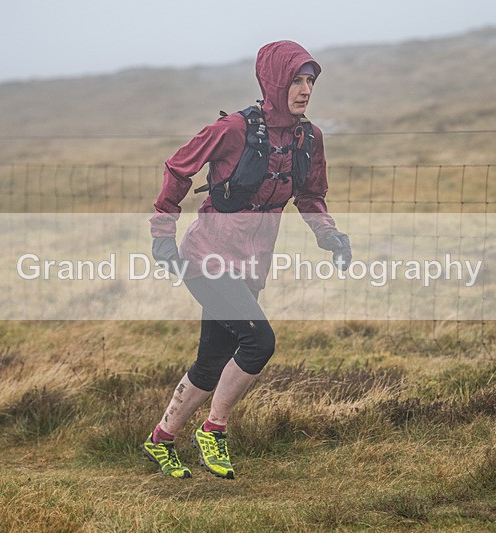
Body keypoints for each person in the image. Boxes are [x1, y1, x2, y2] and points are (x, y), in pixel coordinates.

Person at [143, 40, 351, 479]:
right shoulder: (234, 129)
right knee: (259, 342)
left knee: (210, 361)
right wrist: (163, 233)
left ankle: (160, 439)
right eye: (296, 79)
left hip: (251, 265)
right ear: (274, 80)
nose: (305, 89)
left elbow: (311, 196)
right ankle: (213, 430)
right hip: (205, 258)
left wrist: (330, 236)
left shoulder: (308, 138)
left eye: (311, 80)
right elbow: (179, 167)